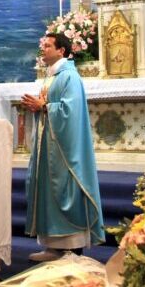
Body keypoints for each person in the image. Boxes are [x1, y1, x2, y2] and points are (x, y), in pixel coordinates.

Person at [20, 32, 104, 261]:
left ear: (62, 51)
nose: (43, 49)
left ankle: (72, 248)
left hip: (64, 150)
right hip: (49, 147)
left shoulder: (70, 77)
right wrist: (40, 107)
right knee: (48, 192)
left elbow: (71, 111)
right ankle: (53, 247)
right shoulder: (51, 76)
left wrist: (45, 106)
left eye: (48, 46)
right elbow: (48, 106)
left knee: (64, 189)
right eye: (42, 45)